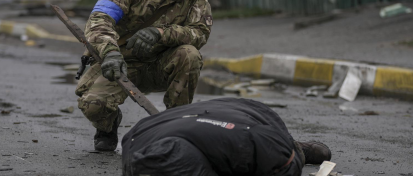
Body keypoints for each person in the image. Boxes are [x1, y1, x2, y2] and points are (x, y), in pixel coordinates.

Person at [75, 0, 213, 151]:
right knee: (94, 105)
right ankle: (107, 124)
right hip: (122, 64)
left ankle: (175, 128)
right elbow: (99, 18)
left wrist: (161, 33)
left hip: (161, 64)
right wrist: (110, 52)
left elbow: (200, 33)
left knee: (190, 54)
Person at [122, 97, 332, 176]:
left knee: (285, 157)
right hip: (172, 123)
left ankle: (296, 146)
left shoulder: (248, 140)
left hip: (246, 117)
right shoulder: (135, 145)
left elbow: (284, 164)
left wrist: (294, 152)